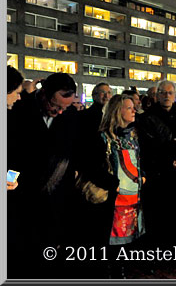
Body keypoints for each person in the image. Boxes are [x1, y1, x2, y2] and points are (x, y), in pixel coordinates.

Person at [8, 72, 78, 278]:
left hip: (56, 194)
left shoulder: (70, 116)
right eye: (55, 106)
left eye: (65, 107)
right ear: (44, 95)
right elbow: (12, 155)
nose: (59, 112)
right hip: (24, 195)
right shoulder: (20, 109)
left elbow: (71, 151)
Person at [83, 94, 146, 277]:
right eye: (129, 108)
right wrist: (113, 185)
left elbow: (143, 161)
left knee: (126, 243)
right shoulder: (102, 138)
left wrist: (143, 176)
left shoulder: (135, 136)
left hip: (133, 199)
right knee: (110, 244)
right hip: (112, 201)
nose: (134, 110)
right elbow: (92, 166)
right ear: (117, 111)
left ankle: (120, 272)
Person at [135, 80, 176, 250]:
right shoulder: (147, 117)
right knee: (158, 214)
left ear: (175, 96)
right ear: (157, 95)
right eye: (163, 93)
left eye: (170, 93)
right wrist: (170, 162)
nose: (166, 96)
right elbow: (149, 146)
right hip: (159, 173)